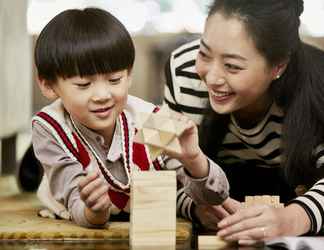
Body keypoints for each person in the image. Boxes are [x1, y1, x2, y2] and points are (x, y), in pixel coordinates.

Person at [32, 7, 229, 228]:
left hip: (147, 210)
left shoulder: (149, 119)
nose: (102, 96)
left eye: (115, 80)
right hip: (76, 218)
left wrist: (194, 160)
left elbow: (201, 193)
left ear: (129, 75)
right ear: (49, 86)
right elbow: (74, 199)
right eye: (84, 85)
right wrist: (94, 212)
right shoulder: (50, 126)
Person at [164, 0, 324, 244]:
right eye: (204, 53)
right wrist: (195, 207)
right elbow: (164, 168)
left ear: (278, 65)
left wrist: (293, 218)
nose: (212, 78)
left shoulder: (317, 88)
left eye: (232, 66)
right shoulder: (183, 73)